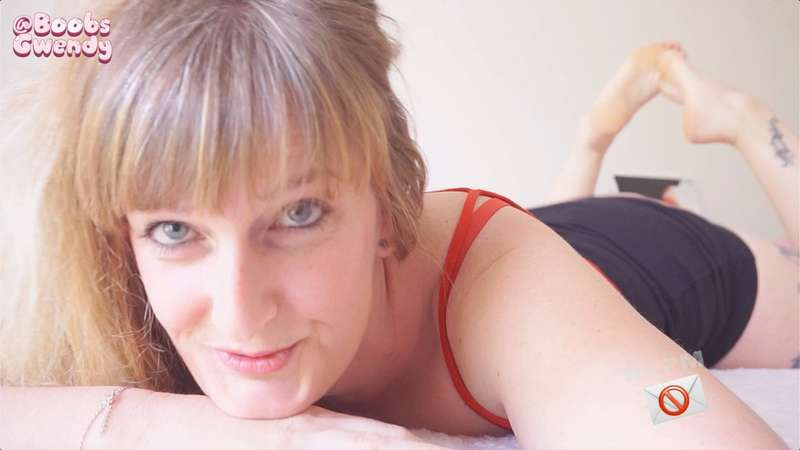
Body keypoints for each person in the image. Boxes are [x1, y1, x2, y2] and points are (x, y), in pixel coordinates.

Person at [0, 1, 795, 449]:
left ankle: (744, 122)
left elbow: (678, 416)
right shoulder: (116, 276)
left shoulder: (520, 303)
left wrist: (663, 394)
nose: (240, 314)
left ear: (388, 207)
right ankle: (592, 139)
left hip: (689, 263)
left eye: (298, 214)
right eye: (176, 230)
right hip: (554, 243)